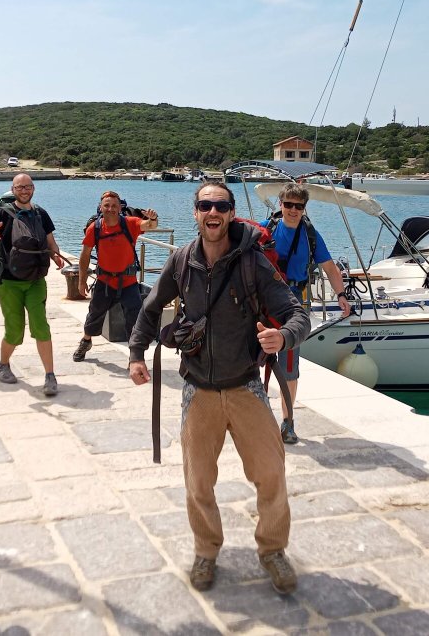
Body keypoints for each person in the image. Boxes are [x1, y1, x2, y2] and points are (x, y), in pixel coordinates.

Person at [128, 181, 310, 595]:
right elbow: (151, 307)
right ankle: (206, 551)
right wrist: (137, 353)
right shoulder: (180, 261)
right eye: (205, 205)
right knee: (198, 481)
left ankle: (272, 550)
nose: (213, 212)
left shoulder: (252, 264)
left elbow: (296, 313)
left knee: (271, 474)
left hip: (245, 386)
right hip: (198, 390)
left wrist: (283, 339)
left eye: (221, 206)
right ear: (195, 212)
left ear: (230, 213)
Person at [264, 182, 352, 445]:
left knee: (289, 365)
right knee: (251, 357)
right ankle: (253, 415)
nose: (292, 210)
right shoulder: (265, 229)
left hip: (296, 305)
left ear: (304, 209)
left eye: (298, 206)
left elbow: (329, 267)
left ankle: (288, 422)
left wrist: (341, 295)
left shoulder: (311, 235)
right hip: (265, 302)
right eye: (288, 204)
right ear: (280, 205)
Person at [0, 173, 66, 395]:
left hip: (35, 280)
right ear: (13, 190)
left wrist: (56, 256)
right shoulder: (1, 213)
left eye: (28, 187)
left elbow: (50, 240)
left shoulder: (41, 213)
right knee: (15, 331)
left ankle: (50, 376)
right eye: (19, 187)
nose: (24, 190)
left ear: (33, 188)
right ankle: (3, 364)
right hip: (8, 282)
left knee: (41, 326)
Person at [72, 190, 159, 361]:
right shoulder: (94, 228)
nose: (110, 209)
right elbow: (85, 255)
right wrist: (81, 281)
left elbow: (150, 226)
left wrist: (154, 218)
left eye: (114, 206)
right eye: (107, 205)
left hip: (128, 283)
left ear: (119, 208)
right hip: (104, 281)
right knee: (94, 315)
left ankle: (134, 356)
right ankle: (86, 341)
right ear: (101, 207)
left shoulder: (130, 223)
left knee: (134, 321)